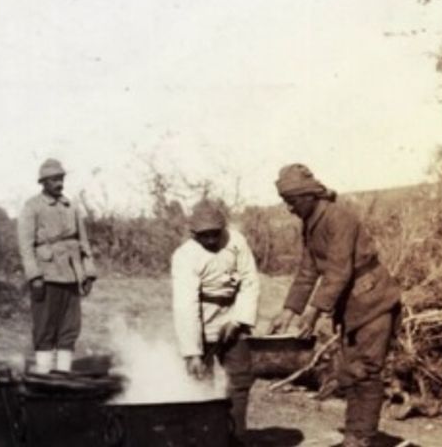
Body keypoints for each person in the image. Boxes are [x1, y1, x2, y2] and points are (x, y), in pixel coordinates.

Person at [268, 164, 401, 447]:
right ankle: (356, 436)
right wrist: (288, 310)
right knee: (350, 370)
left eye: (291, 202)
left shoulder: (339, 218)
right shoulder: (311, 222)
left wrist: (313, 313)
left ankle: (361, 437)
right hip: (351, 305)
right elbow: (308, 269)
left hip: (373, 301)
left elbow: (338, 271)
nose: (289, 209)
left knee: (365, 370)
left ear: (308, 196)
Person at [171, 200, 259, 442]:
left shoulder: (237, 242)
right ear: (193, 234)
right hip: (202, 320)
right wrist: (193, 353)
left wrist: (239, 319)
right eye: (204, 236)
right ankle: (205, 436)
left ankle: (236, 435)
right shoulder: (185, 256)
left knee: (241, 378)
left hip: (233, 315)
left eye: (215, 234)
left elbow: (249, 282)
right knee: (200, 382)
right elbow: (185, 305)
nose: (211, 240)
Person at [17, 159, 96, 373]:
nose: (59, 183)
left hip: (72, 273)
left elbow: (83, 241)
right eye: (53, 180)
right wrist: (34, 276)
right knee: (44, 326)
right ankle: (43, 375)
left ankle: (63, 374)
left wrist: (88, 273)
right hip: (47, 274)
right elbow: (25, 244)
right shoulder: (32, 206)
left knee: (69, 326)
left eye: (61, 179)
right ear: (43, 182)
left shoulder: (70, 206)